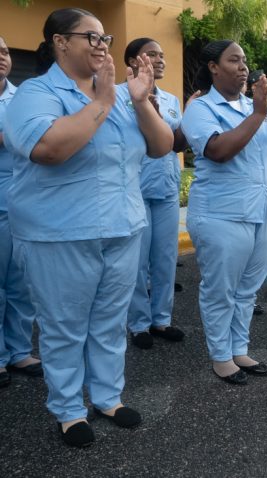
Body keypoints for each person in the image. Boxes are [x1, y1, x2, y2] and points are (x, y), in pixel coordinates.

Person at [3, 8, 173, 446]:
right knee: (64, 325)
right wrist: (101, 103)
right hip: (59, 233)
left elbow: (161, 146)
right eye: (91, 37)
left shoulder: (120, 94)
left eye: (105, 39)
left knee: (110, 321)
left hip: (122, 227)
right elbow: (48, 149)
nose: (102, 46)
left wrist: (137, 100)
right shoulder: (35, 94)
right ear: (60, 41)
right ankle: (67, 408)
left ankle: (107, 397)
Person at [181, 40, 267, 385]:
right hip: (222, 214)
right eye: (235, 60)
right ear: (214, 67)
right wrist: (259, 114)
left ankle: (239, 348)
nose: (244, 67)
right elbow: (217, 150)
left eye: (245, 60)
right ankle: (220, 356)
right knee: (221, 289)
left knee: (248, 289)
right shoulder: (200, 109)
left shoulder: (255, 105)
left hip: (262, 208)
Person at [121, 37, 188, 350]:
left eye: (162, 55)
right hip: (135, 187)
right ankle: (138, 323)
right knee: (138, 262)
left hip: (165, 186)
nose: (160, 60)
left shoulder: (172, 99)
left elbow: (176, 141)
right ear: (134, 60)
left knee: (165, 257)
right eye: (152, 54)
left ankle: (162, 319)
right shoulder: (120, 96)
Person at [0, 35, 42, 389]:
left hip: (22, 198)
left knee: (21, 282)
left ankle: (19, 351)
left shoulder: (23, 97)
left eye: (4, 51)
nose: (2, 57)